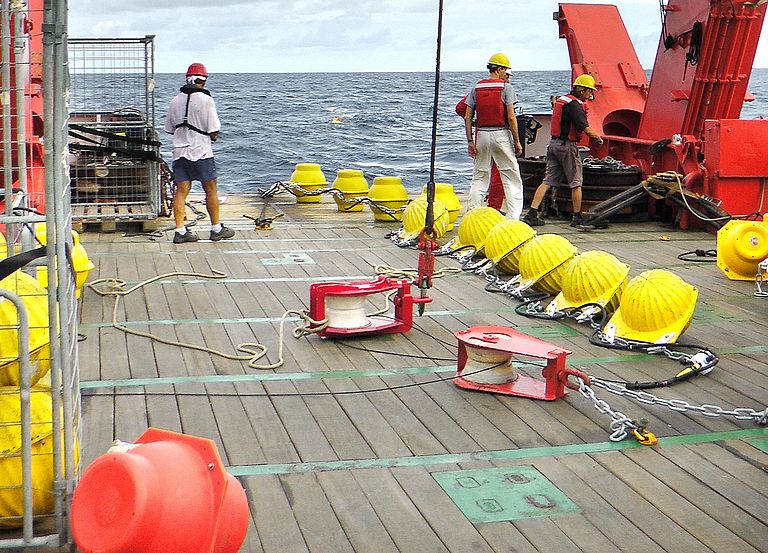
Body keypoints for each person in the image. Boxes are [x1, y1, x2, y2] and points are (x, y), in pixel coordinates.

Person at [164, 62, 234, 243]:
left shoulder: (174, 100)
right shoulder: (207, 100)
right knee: (210, 189)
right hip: (201, 152)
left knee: (181, 190)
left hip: (179, 152)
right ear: (204, 80)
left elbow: (170, 129)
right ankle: (216, 229)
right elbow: (214, 131)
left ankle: (180, 231)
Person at [523, 75, 604, 228]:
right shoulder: (575, 105)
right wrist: (598, 139)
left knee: (548, 181)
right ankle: (577, 217)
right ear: (582, 90)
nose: (591, 95)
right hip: (567, 146)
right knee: (576, 182)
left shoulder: (563, 100)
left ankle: (532, 213)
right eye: (589, 91)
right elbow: (585, 128)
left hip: (553, 144)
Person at [464, 53, 524, 219]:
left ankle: (473, 216)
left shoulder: (476, 88)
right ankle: (513, 219)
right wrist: (517, 141)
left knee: (480, 176)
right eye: (505, 70)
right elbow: (511, 117)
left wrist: (470, 140)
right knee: (511, 177)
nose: (506, 74)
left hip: (481, 134)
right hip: (500, 134)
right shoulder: (506, 88)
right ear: (499, 69)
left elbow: (468, 116)